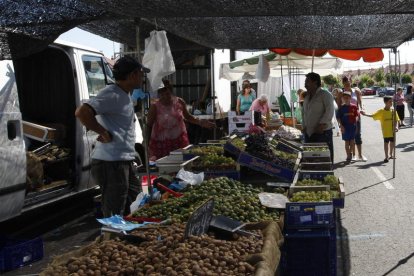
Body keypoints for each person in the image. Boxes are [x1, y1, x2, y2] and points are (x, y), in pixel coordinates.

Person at [75, 56, 147, 217]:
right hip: (111, 162)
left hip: (122, 160)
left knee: (135, 202)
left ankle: (126, 236)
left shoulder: (124, 94)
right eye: (140, 74)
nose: (142, 78)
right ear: (132, 75)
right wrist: (102, 131)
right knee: (115, 211)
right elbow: (82, 112)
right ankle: (113, 238)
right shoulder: (111, 94)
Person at [148, 80, 215, 161]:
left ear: (171, 91)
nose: (165, 97)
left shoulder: (179, 102)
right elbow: (149, 125)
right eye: (162, 94)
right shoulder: (155, 107)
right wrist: (146, 142)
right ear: (159, 94)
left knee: (181, 164)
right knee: (163, 167)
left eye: (167, 93)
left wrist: (201, 122)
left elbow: (188, 117)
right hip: (161, 145)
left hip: (179, 142)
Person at [302, 72, 335, 162]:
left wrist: (321, 124)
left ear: (315, 82)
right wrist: (304, 125)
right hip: (309, 133)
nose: (305, 84)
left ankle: (327, 175)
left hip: (322, 133)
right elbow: (304, 113)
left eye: (307, 81)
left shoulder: (325, 95)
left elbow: (330, 111)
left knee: (324, 159)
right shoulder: (307, 97)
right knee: (311, 159)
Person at [360, 96, 399, 163]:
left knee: (392, 143)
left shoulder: (393, 111)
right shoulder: (381, 111)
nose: (391, 103)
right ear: (385, 102)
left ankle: (391, 154)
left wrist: (396, 126)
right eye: (390, 101)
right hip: (386, 132)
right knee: (386, 143)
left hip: (392, 131)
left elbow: (397, 120)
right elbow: (373, 115)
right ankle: (386, 156)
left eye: (392, 101)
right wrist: (365, 114)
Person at [338, 76, 366, 161]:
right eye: (345, 84)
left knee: (357, 135)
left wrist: (362, 109)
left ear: (351, 82)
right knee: (349, 139)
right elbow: (338, 107)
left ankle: (360, 155)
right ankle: (352, 155)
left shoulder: (356, 91)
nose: (347, 85)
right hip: (345, 119)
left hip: (356, 116)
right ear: (343, 84)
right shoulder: (341, 93)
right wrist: (340, 124)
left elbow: (361, 102)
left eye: (348, 83)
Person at [336, 91, 359, 163]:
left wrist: (356, 122)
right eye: (344, 98)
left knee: (352, 141)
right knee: (346, 142)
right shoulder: (341, 108)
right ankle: (348, 155)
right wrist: (341, 126)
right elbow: (338, 118)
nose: (346, 99)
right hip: (345, 127)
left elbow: (357, 116)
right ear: (342, 98)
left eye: (347, 97)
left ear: (350, 98)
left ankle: (351, 153)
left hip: (352, 126)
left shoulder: (354, 107)